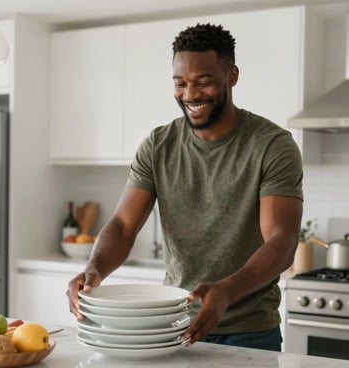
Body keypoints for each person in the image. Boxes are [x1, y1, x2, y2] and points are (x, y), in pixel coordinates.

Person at [67, 23, 303, 352]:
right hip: (173, 325)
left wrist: (226, 291)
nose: (190, 94)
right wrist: (94, 270)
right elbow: (123, 225)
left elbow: (282, 241)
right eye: (181, 83)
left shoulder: (272, 146)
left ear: (232, 76)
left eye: (203, 82)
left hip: (249, 330)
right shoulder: (158, 145)